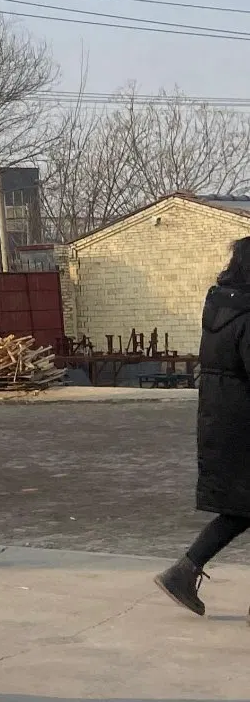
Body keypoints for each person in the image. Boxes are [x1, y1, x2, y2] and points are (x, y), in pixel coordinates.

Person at [157, 234, 250, 616]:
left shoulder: (221, 308)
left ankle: (184, 570)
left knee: (241, 508)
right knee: (241, 507)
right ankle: (184, 570)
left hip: (221, 419)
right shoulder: (248, 313)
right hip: (242, 421)